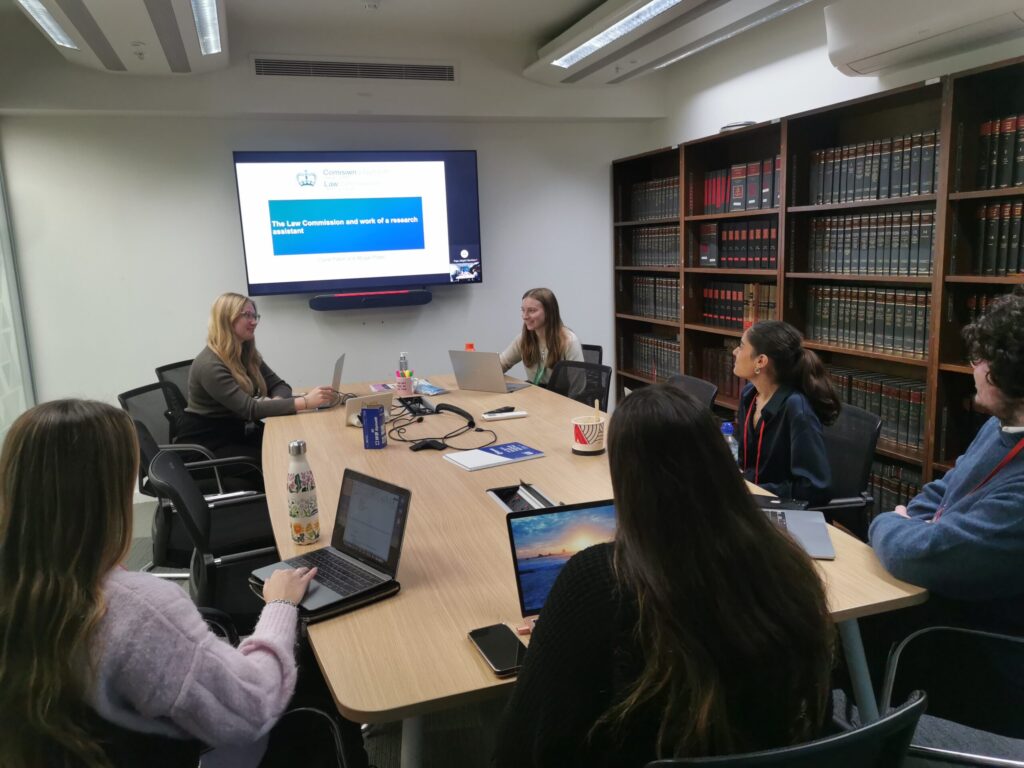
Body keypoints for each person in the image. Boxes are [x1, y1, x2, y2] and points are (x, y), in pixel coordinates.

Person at [494, 385, 834, 767]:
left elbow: (517, 747)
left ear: (625, 479)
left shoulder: (600, 579)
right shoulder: (787, 562)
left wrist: (555, 634)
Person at [0, 399, 317, 766]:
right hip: (225, 748)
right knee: (316, 677)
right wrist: (280, 605)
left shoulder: (21, 592)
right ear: (107, 495)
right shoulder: (136, 611)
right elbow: (254, 706)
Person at [869, 287, 1024, 635]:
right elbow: (942, 491)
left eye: (980, 359)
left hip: (968, 637)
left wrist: (887, 523)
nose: (973, 369)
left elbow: (926, 556)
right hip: (929, 601)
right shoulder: (999, 426)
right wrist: (920, 531)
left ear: (1007, 372)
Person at [176, 292, 334, 465]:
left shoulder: (246, 353)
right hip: (207, 447)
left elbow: (280, 385)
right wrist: (306, 402)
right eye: (247, 315)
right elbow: (250, 410)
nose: (254, 322)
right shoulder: (210, 365)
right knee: (277, 458)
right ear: (227, 319)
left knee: (294, 444)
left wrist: (277, 402)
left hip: (236, 433)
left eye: (255, 316)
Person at [732, 320, 839, 505]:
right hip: (752, 501)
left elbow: (814, 488)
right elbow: (745, 462)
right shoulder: (749, 395)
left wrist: (753, 491)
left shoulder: (797, 409)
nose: (735, 352)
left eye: (741, 346)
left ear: (761, 361)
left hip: (785, 508)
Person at [499, 287, 583, 387]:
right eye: (523, 310)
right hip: (536, 393)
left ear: (549, 312)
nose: (525, 316)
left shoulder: (569, 341)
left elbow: (578, 388)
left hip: (560, 396)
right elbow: (501, 364)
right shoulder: (523, 338)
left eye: (531, 310)